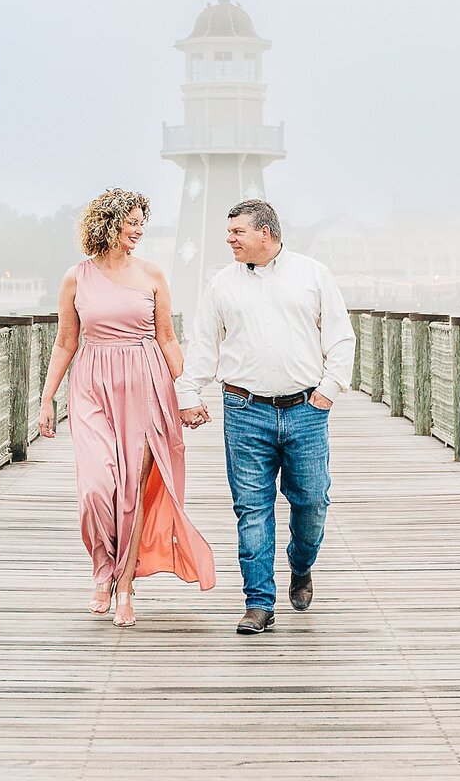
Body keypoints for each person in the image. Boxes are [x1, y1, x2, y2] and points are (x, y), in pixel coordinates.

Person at [38, 188, 215, 627]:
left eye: (142, 223)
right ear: (108, 223)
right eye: (131, 222)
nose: (138, 231)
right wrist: (46, 400)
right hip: (92, 385)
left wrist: (187, 395)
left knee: (134, 492)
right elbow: (65, 342)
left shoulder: (152, 275)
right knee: (97, 488)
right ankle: (102, 569)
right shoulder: (76, 278)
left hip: (147, 385)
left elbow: (169, 339)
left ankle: (124, 585)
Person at [176, 199, 355, 635]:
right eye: (228, 231)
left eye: (237, 231)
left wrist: (328, 392)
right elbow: (203, 344)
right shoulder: (221, 284)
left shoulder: (313, 274)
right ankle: (259, 602)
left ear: (266, 232)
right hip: (243, 409)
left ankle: (301, 564)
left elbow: (341, 337)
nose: (229, 238)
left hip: (306, 410)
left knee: (312, 501)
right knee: (252, 509)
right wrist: (188, 392)